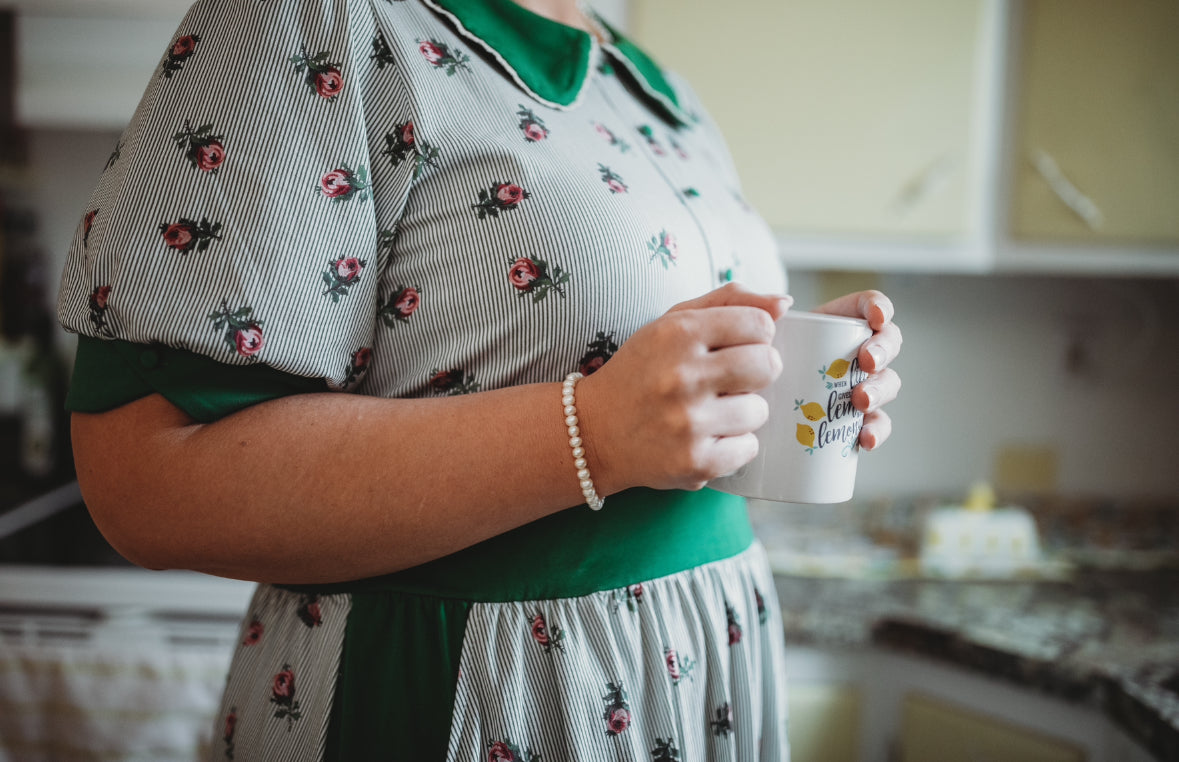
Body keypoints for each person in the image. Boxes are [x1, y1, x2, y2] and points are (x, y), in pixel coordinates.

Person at [58, 0, 902, 759]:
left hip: (696, 673)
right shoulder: (320, 18)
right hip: (460, 696)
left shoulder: (653, 87)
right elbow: (147, 482)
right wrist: (596, 431)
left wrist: (772, 380)